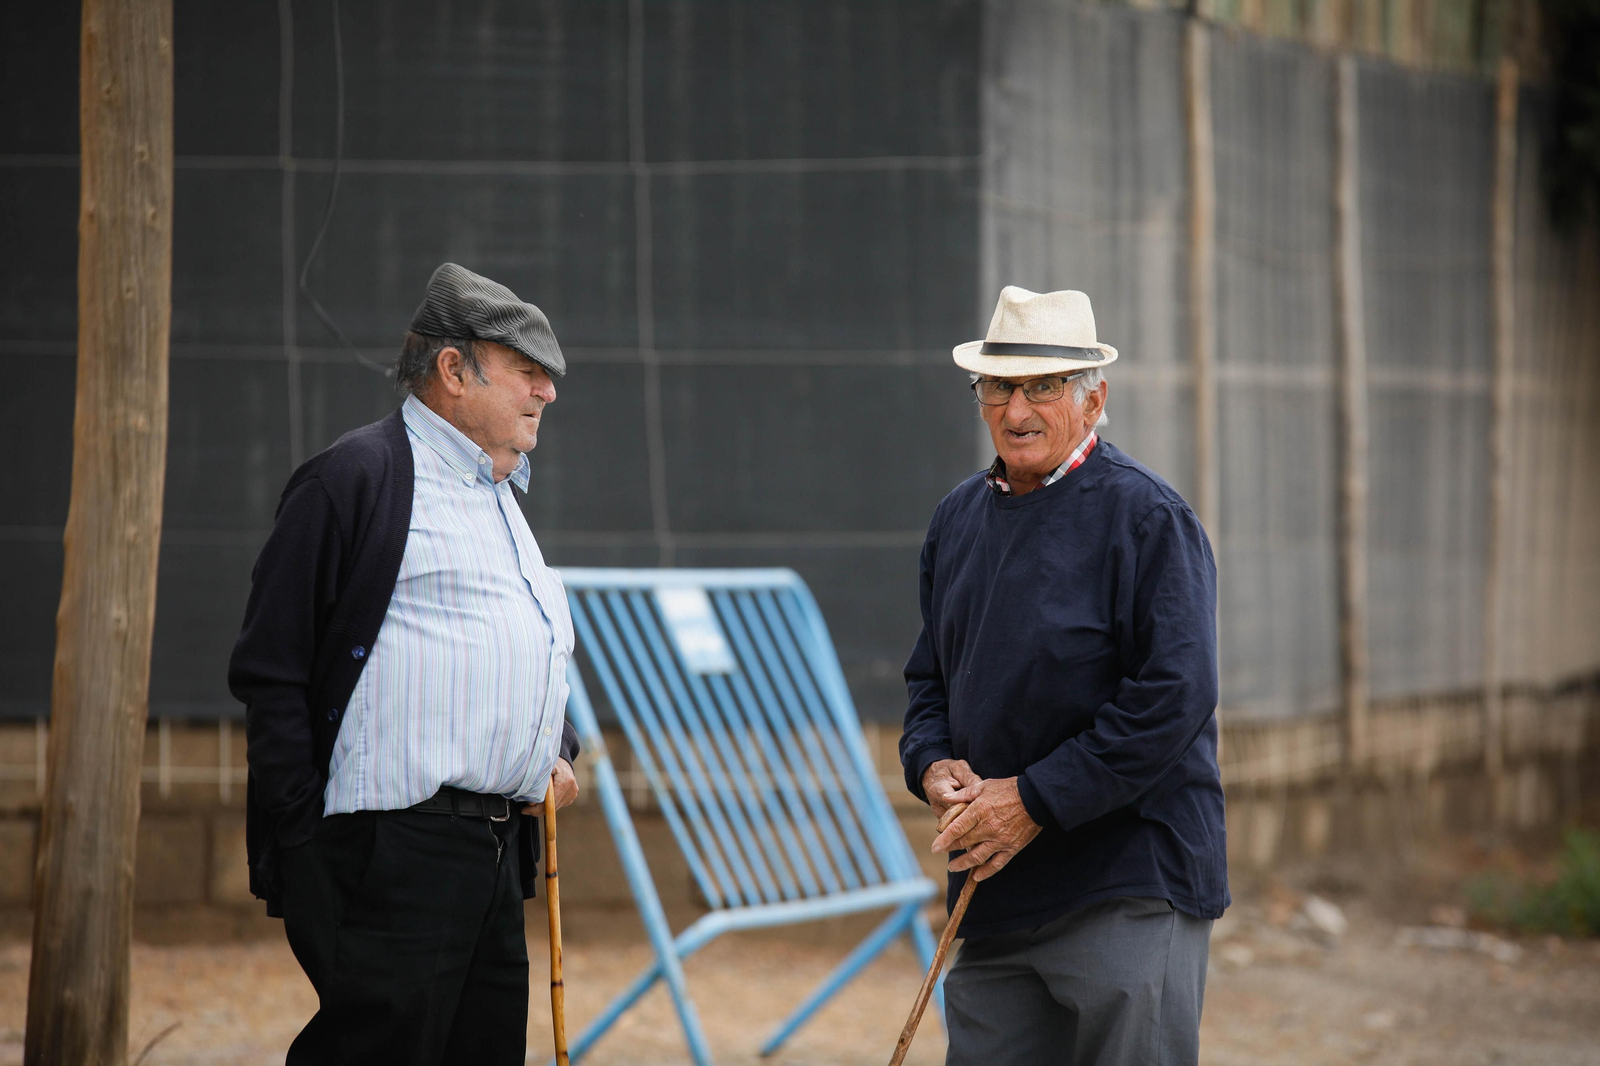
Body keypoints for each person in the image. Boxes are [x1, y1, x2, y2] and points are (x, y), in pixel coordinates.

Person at [230, 263, 581, 1065]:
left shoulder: (498, 495)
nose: (546, 393)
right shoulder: (354, 479)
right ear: (453, 370)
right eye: (527, 371)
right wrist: (302, 835)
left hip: (494, 850)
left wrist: (555, 749)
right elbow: (271, 667)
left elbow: (521, 645)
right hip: (394, 847)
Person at [899, 286, 1228, 1065]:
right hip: (995, 892)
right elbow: (929, 680)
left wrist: (1034, 798)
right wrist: (931, 763)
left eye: (1043, 386)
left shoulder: (1147, 518)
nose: (1017, 409)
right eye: (998, 387)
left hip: (1128, 884)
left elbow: (1173, 695)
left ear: (1093, 398)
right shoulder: (957, 519)